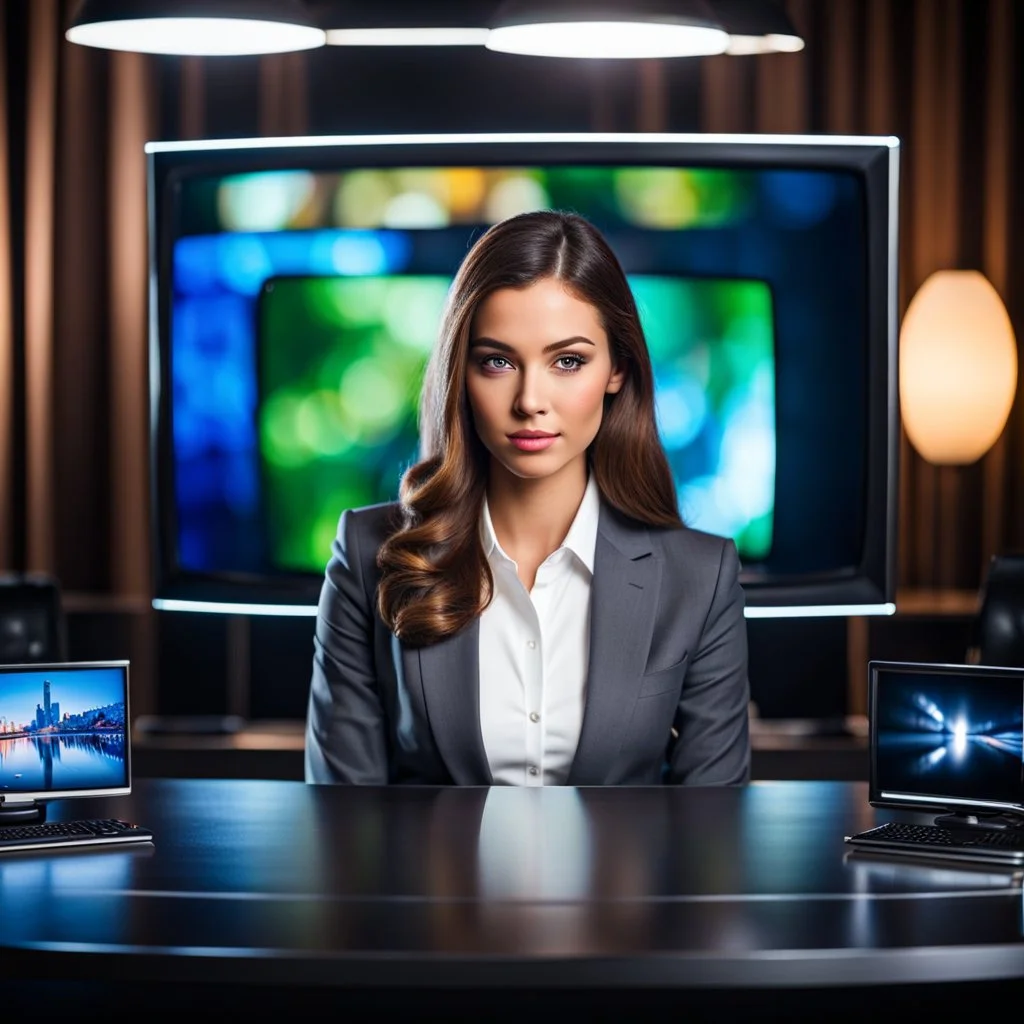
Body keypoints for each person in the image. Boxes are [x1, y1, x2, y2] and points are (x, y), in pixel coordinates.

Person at [304, 209, 750, 787]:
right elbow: (343, 822)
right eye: (498, 361)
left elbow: (711, 832)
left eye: (568, 361)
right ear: (460, 372)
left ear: (617, 368)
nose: (530, 400)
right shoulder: (367, 555)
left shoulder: (701, 576)